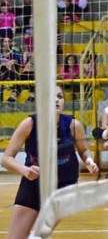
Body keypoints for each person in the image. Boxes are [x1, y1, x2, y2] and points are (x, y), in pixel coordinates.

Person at [1, 85, 99, 239]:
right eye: (51, 97)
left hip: (63, 187)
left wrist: (89, 161)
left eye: (60, 97)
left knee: (39, 235)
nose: (56, 100)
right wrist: (25, 171)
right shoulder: (30, 124)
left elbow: (83, 150)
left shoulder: (73, 125)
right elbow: (6, 159)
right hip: (34, 183)